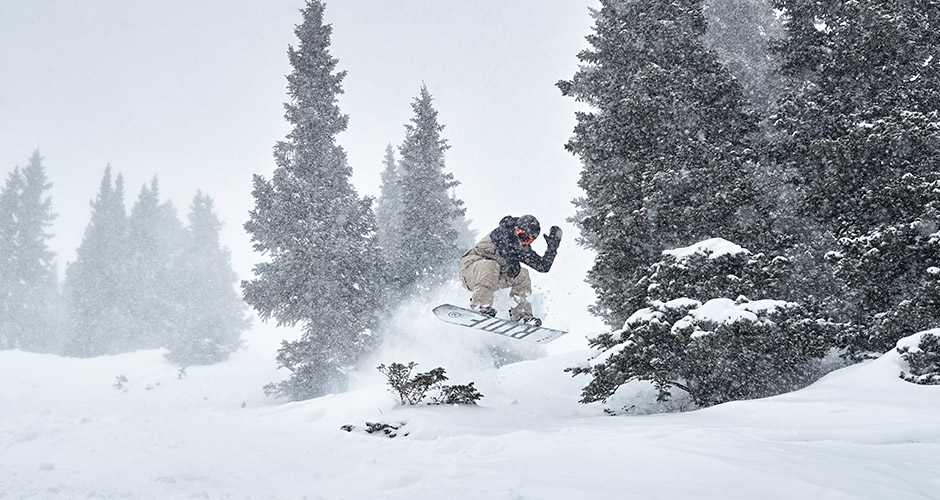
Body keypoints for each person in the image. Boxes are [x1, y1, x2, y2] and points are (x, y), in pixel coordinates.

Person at [458, 215, 562, 326]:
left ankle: (521, 315)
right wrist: (512, 261)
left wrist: (552, 248)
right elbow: (504, 247)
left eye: (528, 240)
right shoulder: (503, 232)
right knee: (491, 265)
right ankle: (479, 305)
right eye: (522, 236)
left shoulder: (521, 248)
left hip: (492, 277)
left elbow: (543, 267)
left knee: (523, 275)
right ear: (516, 229)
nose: (523, 242)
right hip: (470, 270)